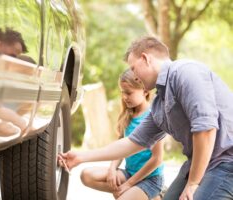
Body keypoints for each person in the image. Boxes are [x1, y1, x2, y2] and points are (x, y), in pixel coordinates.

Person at [60, 36, 233, 200]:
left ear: (145, 58)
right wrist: (81, 157)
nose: (134, 76)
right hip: (200, 162)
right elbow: (131, 143)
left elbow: (206, 129)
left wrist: (193, 183)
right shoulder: (160, 104)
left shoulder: (185, 72)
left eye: (134, 68)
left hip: (226, 160)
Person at [79, 68, 164, 200]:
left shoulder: (154, 116)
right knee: (86, 175)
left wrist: (129, 185)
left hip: (150, 179)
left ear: (145, 91)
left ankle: (152, 195)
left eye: (129, 93)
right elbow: (120, 149)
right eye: (122, 92)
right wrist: (112, 168)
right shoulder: (127, 115)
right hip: (129, 174)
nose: (124, 97)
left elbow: (157, 159)